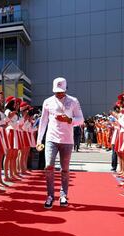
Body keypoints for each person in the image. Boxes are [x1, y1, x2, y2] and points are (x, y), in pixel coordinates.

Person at [36, 77, 84, 209]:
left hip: (67, 140)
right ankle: (50, 195)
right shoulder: (47, 102)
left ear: (66, 89)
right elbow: (43, 121)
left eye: (61, 91)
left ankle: (63, 194)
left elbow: (81, 119)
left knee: (65, 169)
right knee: (49, 166)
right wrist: (39, 140)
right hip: (51, 139)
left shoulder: (73, 101)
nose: (59, 94)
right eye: (57, 91)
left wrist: (69, 120)